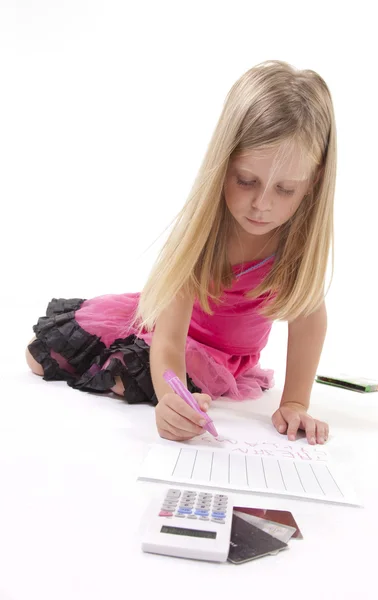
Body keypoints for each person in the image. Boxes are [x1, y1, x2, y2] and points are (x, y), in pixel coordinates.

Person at [26, 60, 336, 446]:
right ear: (224, 162)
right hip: (168, 326)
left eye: (285, 189)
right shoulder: (204, 232)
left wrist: (295, 402)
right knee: (40, 358)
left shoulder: (296, 243)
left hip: (216, 354)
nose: (262, 205)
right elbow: (168, 339)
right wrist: (171, 400)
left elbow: (309, 320)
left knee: (125, 378)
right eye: (246, 181)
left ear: (314, 179)